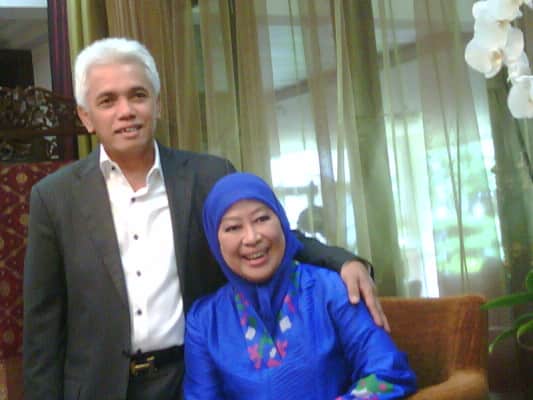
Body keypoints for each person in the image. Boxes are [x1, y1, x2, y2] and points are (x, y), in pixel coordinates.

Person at [23, 37, 386, 400]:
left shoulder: (208, 176)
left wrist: (343, 262)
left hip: (190, 378)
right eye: (107, 101)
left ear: (157, 104)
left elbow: (269, 235)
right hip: (96, 388)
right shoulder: (54, 197)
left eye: (138, 95)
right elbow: (43, 323)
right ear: (86, 117)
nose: (126, 111)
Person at [184, 172, 416, 399]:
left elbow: (387, 374)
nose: (252, 237)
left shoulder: (331, 289)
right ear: (215, 242)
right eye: (233, 227)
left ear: (282, 222)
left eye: (262, 219)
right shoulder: (204, 320)